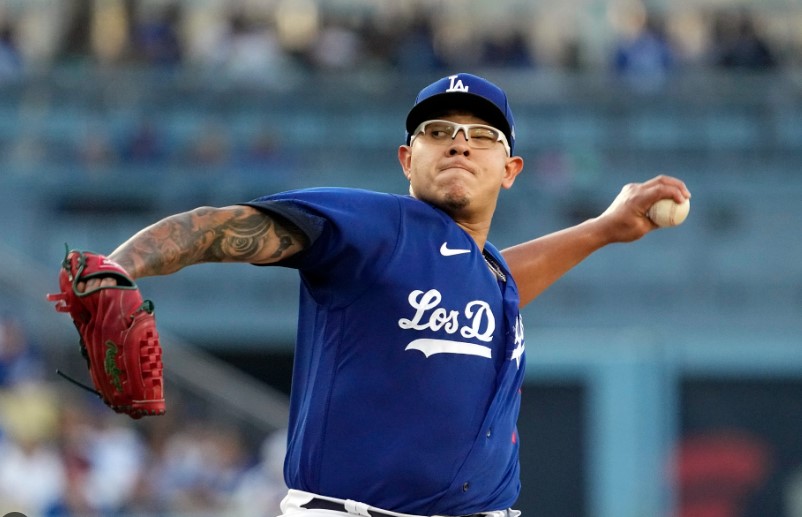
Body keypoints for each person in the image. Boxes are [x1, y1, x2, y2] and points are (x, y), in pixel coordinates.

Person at [77, 73, 691, 517]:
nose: (459, 142)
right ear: (406, 158)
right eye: (438, 131)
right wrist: (121, 267)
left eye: (482, 135)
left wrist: (602, 229)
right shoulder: (375, 228)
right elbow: (220, 226)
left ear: (511, 169)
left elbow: (497, 277)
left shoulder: (486, 275)